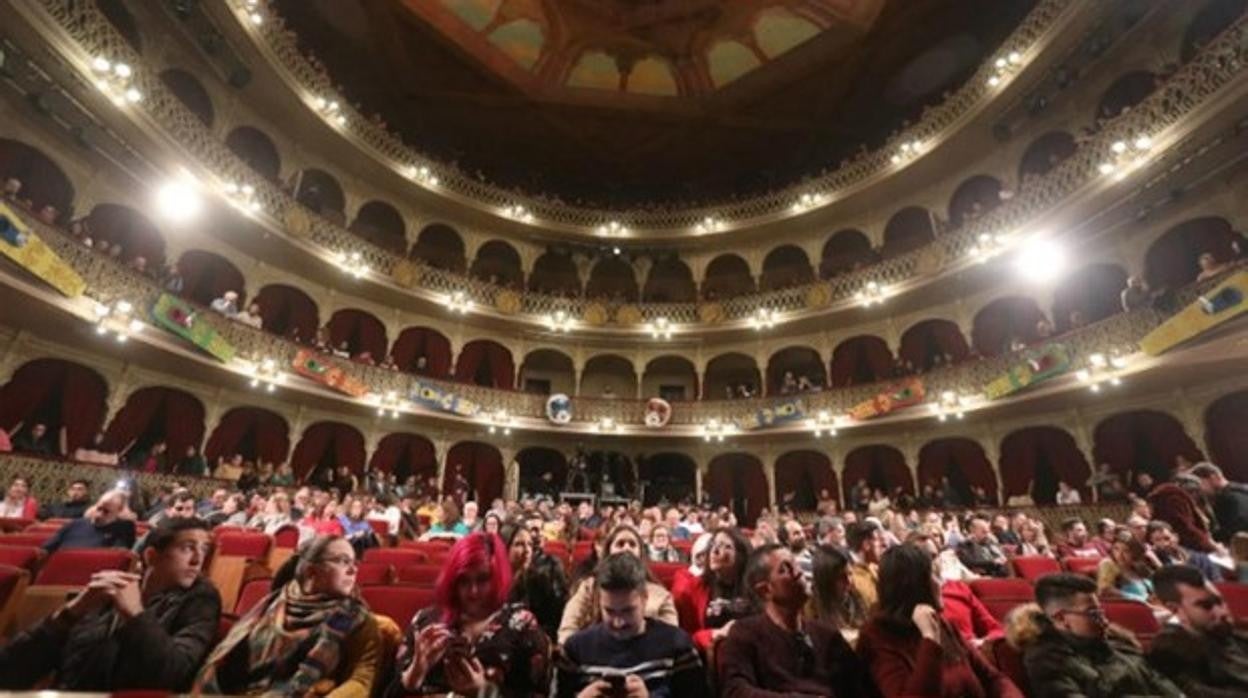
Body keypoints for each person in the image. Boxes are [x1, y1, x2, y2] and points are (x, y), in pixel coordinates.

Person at [0, 517, 221, 691]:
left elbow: (171, 674)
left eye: (203, 550)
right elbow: (10, 669)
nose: (197, 560)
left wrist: (135, 615)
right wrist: (71, 613)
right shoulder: (109, 592)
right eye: (187, 548)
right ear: (152, 556)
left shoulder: (201, 599)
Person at [195, 535, 380, 695]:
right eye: (343, 561)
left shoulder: (356, 619)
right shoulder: (271, 603)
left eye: (354, 562)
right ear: (311, 571)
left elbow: (361, 682)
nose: (353, 569)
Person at [389, 532, 550, 697]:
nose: (473, 591)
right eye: (464, 580)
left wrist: (483, 692)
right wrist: (415, 673)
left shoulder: (522, 626)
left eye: (483, 579)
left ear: (497, 578)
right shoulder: (426, 621)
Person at [856, 543, 1020, 697]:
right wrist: (930, 639)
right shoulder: (878, 637)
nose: (941, 582)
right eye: (933, 574)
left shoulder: (942, 623)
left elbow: (993, 678)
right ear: (914, 586)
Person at [719, 544, 876, 698]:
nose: (798, 572)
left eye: (795, 564)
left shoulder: (826, 636)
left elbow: (861, 687)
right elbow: (735, 691)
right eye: (785, 569)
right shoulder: (745, 634)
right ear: (765, 590)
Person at [557, 553, 708, 698]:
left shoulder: (677, 645)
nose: (618, 622)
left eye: (628, 611)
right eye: (609, 611)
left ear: (645, 599)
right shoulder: (575, 649)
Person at [1007, 573, 1182, 698]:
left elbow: (1155, 677)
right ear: (1061, 618)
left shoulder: (1114, 639)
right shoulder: (1046, 659)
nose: (1104, 621)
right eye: (1093, 614)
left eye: (1101, 612)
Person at [561, 524, 679, 643]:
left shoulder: (661, 594)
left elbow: (671, 639)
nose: (626, 549)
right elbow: (568, 627)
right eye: (620, 544)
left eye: (632, 544)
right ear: (609, 551)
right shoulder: (589, 587)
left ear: (641, 553)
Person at [1149, 564, 1248, 696]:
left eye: (1219, 601)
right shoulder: (1168, 650)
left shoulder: (1223, 630)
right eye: (1206, 606)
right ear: (1175, 609)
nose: (1222, 612)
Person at [672, 526, 754, 651]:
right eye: (713, 544)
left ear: (741, 557)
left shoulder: (754, 588)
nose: (715, 551)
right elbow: (686, 637)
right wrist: (713, 634)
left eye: (726, 546)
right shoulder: (695, 587)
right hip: (709, 652)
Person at [504, 523, 568, 640]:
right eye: (519, 544)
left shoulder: (540, 582)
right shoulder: (493, 582)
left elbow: (552, 623)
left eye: (530, 544)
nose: (527, 550)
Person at [43, 490, 136, 552]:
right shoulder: (74, 524)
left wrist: (123, 512)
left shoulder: (123, 529)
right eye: (99, 509)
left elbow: (119, 554)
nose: (99, 514)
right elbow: (46, 549)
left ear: (119, 512)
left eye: (106, 511)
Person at [809, 543, 869, 632]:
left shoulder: (857, 595)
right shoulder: (811, 610)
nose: (849, 581)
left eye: (850, 573)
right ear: (826, 580)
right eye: (841, 577)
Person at [1096, 530, 1160, 604]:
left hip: (1155, 606)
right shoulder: (1108, 564)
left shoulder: (1139, 567)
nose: (1120, 555)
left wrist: (1156, 562)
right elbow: (1104, 591)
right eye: (1116, 549)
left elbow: (1159, 583)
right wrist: (1140, 599)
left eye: (1126, 550)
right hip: (1131, 608)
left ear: (1134, 552)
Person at [1191, 462, 1248, 543]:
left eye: (1199, 484)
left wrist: (1213, 538)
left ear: (1213, 477)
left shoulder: (1229, 499)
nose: (1199, 491)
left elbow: (1239, 526)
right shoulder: (1243, 489)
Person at [847, 520, 884, 611]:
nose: (882, 544)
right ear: (866, 544)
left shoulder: (873, 568)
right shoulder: (851, 575)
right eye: (876, 540)